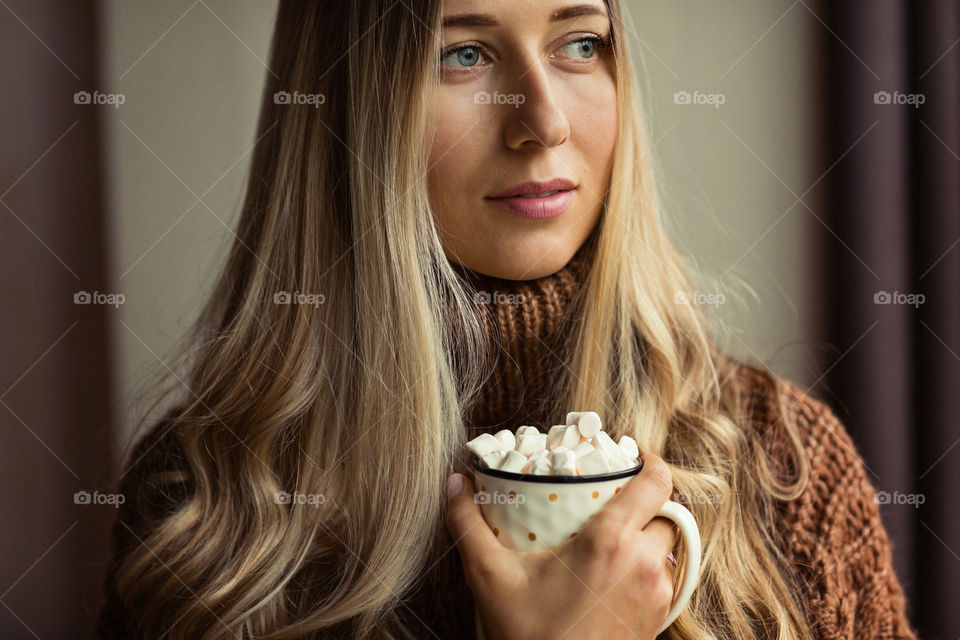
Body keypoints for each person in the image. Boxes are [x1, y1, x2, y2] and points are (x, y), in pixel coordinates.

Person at [96, 1, 917, 638]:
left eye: (580, 44)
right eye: (464, 53)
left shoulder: (785, 467)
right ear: (345, 108)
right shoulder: (202, 510)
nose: (545, 121)